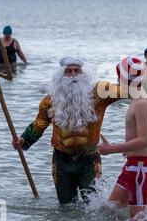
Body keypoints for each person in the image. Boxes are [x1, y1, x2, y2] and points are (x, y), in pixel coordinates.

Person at [12, 57, 121, 205]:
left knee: (94, 205)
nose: (73, 75)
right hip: (62, 161)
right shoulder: (50, 101)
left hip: (89, 159)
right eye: (68, 71)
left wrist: (136, 81)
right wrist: (23, 141)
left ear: (84, 74)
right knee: (65, 206)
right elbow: (39, 124)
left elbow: (124, 91)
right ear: (61, 76)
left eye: (77, 71)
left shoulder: (99, 95)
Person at [98, 56, 147, 221]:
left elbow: (145, 140)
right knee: (111, 208)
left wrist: (112, 149)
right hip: (133, 165)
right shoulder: (136, 100)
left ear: (122, 78)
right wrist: (129, 149)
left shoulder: (141, 103)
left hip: (142, 167)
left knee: (138, 220)